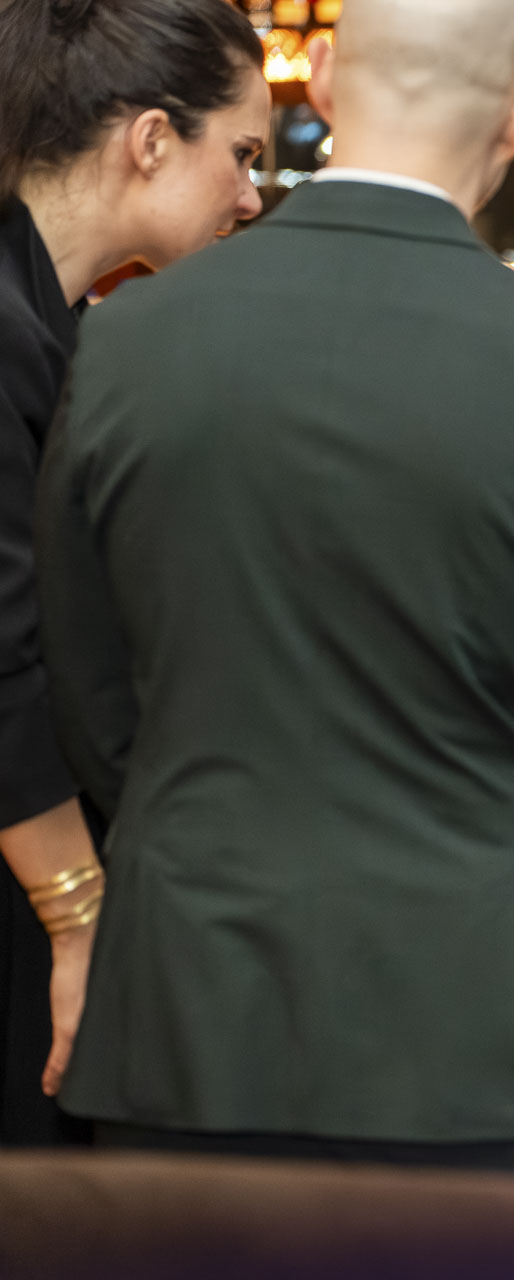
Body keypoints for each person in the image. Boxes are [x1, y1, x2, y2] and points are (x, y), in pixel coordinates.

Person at [32, 0, 514, 1175]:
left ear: (325, 77)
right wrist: (491, 874)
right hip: (475, 1021)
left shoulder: (130, 342)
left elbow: (86, 682)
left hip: (186, 1005)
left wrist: (198, 841)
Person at [0, 0, 267, 1147]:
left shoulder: (57, 321)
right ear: (151, 139)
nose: (251, 196)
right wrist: (77, 915)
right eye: (242, 153)